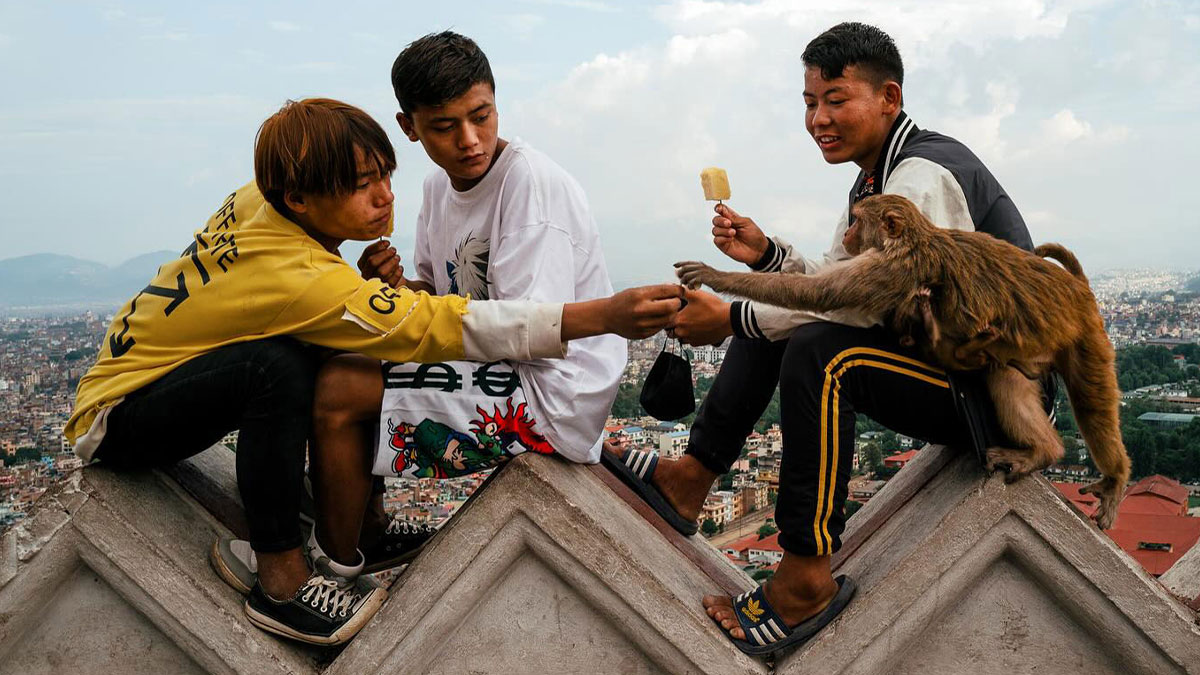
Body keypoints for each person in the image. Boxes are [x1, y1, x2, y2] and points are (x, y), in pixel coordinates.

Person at [66, 97, 682, 646]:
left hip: (156, 379)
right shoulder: (300, 277)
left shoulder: (262, 197)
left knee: (347, 347)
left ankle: (368, 523)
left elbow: (340, 303)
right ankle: (279, 581)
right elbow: (437, 326)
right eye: (361, 186)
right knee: (275, 369)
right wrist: (599, 314)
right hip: (119, 417)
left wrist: (358, 281)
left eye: (384, 175)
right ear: (301, 198)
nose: (385, 195)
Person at [603, 22, 1044, 655]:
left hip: (1000, 396)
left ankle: (806, 573)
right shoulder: (877, 177)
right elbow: (835, 283)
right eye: (811, 103)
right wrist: (766, 258)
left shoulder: (920, 180)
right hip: (946, 364)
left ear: (888, 98)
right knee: (775, 307)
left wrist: (727, 319)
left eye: (836, 99)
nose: (818, 119)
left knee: (818, 352)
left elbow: (854, 306)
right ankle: (692, 478)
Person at [247, 30, 632, 576]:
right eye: (446, 126)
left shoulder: (528, 187)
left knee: (339, 390)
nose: (470, 140)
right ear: (409, 127)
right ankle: (368, 526)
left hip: (553, 391)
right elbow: (437, 302)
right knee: (342, 354)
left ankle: (334, 568)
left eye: (482, 116)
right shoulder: (435, 190)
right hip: (504, 364)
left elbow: (532, 331)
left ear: (497, 101)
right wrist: (396, 291)